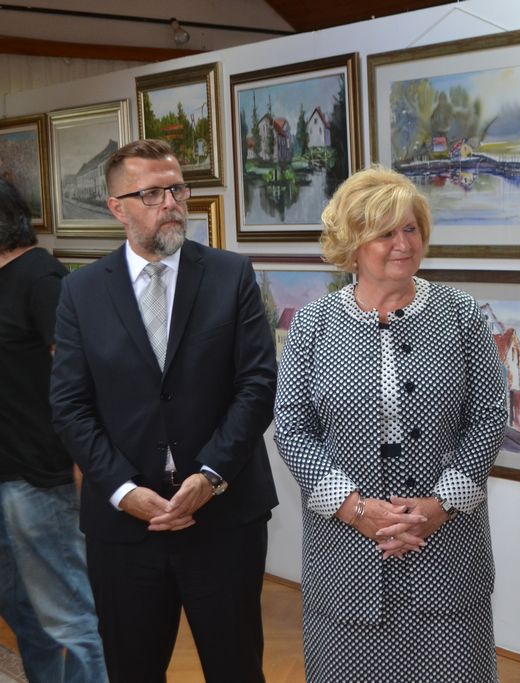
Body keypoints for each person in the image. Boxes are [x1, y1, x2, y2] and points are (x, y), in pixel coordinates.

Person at [49, 139, 278, 683]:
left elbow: (257, 385)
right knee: (132, 670)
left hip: (223, 519)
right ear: (117, 207)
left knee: (237, 668)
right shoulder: (81, 291)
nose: (171, 203)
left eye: (177, 189)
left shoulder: (231, 275)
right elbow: (70, 406)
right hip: (125, 531)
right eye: (151, 194)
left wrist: (211, 475)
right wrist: (123, 490)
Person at [274, 166, 507, 682]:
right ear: (353, 244)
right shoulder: (313, 324)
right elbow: (291, 426)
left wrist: (440, 505)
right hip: (346, 553)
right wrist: (354, 508)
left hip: (446, 547)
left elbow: (490, 415)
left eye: (410, 229)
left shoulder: (462, 315)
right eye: (385, 233)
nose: (403, 244)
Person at [0, 178, 107, 682]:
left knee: (71, 617)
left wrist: (85, 460)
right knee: (21, 610)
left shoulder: (41, 278)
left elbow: (83, 378)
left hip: (41, 479)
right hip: (7, 474)